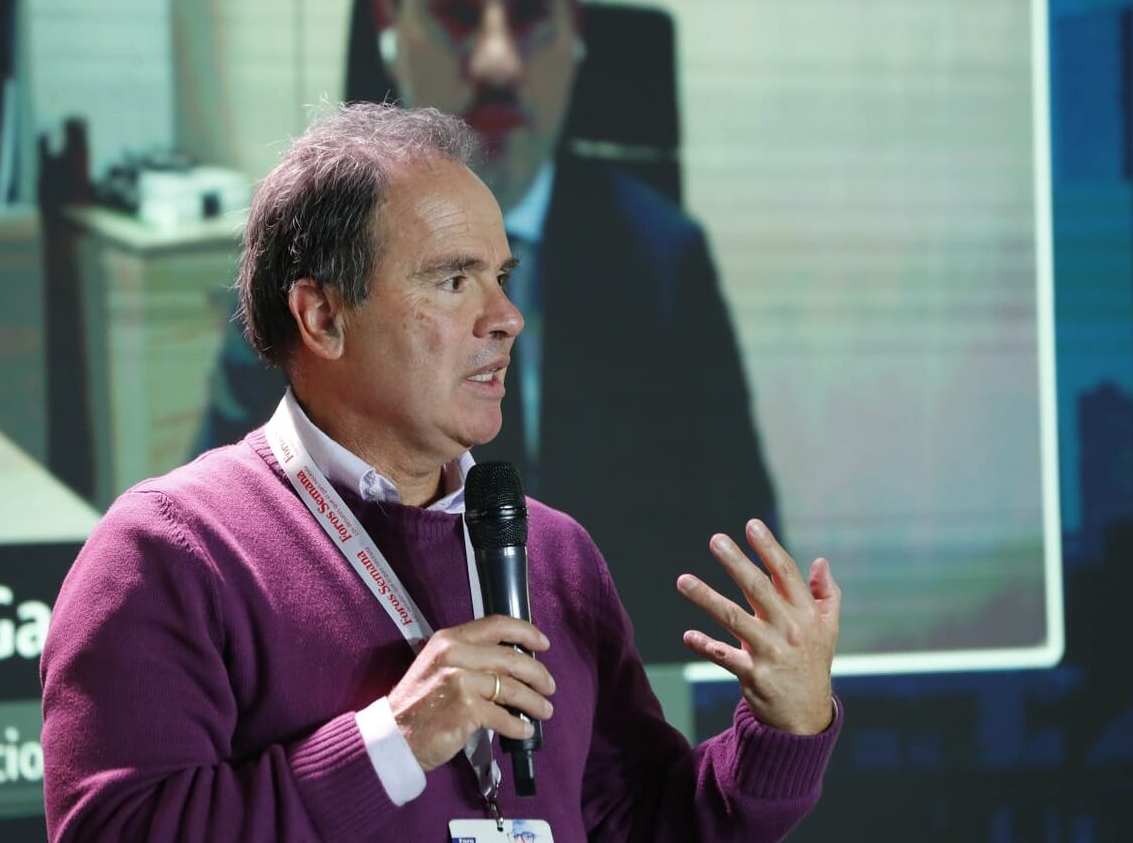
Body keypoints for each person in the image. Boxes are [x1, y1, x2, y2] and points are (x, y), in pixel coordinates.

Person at [41, 104, 842, 840]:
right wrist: (393, 740)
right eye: (455, 280)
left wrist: (785, 730)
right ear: (323, 316)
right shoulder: (169, 552)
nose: (506, 318)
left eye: (503, 278)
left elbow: (640, 824)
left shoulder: (554, 553)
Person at [195, 0, 777, 662]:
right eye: (458, 14)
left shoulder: (663, 259)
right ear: (390, 22)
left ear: (574, 31)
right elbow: (226, 549)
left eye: (529, 17)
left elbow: (740, 567)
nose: (498, 61)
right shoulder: (310, 258)